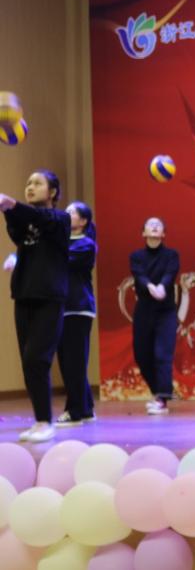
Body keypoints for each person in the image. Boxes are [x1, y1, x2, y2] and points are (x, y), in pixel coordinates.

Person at [0, 170, 70, 442]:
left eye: (37, 183)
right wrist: (9, 211)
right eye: (28, 183)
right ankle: (40, 420)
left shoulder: (60, 219)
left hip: (49, 297)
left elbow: (41, 218)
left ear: (52, 192)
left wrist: (12, 204)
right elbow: (17, 232)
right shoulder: (28, 220)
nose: (30, 187)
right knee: (28, 363)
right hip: (24, 296)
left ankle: (45, 422)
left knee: (36, 359)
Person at [129, 217, 180, 415]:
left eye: (159, 225)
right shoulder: (136, 256)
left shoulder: (171, 255)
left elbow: (170, 274)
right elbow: (139, 275)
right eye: (151, 224)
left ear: (163, 234)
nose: (155, 226)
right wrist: (151, 287)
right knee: (142, 355)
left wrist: (162, 287)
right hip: (144, 310)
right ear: (144, 233)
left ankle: (162, 399)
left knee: (162, 354)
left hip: (165, 311)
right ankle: (158, 392)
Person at [55, 201, 98, 426]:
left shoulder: (85, 244)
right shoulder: (63, 241)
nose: (66, 214)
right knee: (69, 361)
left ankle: (74, 411)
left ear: (83, 221)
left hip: (78, 308)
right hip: (63, 308)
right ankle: (86, 408)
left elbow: (60, 261)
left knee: (74, 362)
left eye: (71, 212)